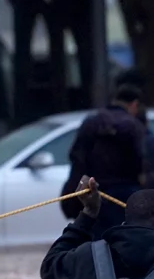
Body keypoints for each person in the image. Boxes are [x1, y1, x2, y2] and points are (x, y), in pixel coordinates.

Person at [60, 85, 145, 226]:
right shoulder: (133, 125)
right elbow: (141, 162)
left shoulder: (91, 122)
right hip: (125, 194)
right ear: (134, 104)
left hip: (93, 192)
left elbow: (76, 157)